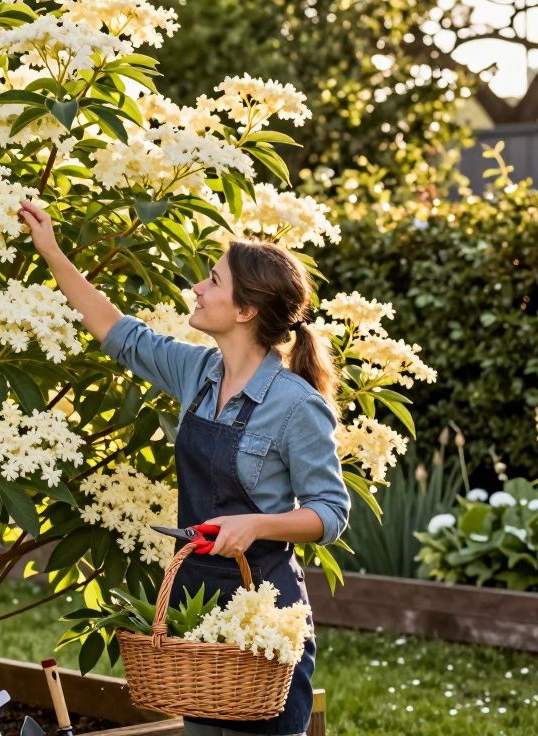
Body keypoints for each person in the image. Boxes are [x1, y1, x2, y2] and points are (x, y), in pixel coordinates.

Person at [18, 200, 349, 736]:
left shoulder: (295, 405)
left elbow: (331, 514)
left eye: (212, 280)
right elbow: (115, 330)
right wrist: (51, 251)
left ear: (244, 311)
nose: (197, 286)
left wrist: (255, 525)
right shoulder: (198, 373)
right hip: (195, 613)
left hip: (262, 623)